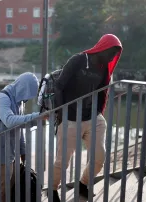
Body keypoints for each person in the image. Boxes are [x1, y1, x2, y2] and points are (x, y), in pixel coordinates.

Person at [52, 34, 122, 200]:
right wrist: (61, 112)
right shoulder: (78, 60)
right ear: (103, 48)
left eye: (116, 54)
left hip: (92, 118)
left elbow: (103, 91)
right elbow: (59, 86)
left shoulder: (104, 68)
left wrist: (98, 112)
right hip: (70, 118)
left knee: (99, 157)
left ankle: (82, 184)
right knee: (62, 162)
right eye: (112, 53)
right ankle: (52, 189)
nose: (113, 57)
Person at [0, 72, 45, 202]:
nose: (27, 99)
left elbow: (19, 129)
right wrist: (37, 116)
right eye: (27, 94)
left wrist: (23, 151)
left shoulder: (19, 101)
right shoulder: (2, 99)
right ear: (23, 88)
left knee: (6, 186)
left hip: (10, 152)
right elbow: (10, 121)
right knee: (0, 188)